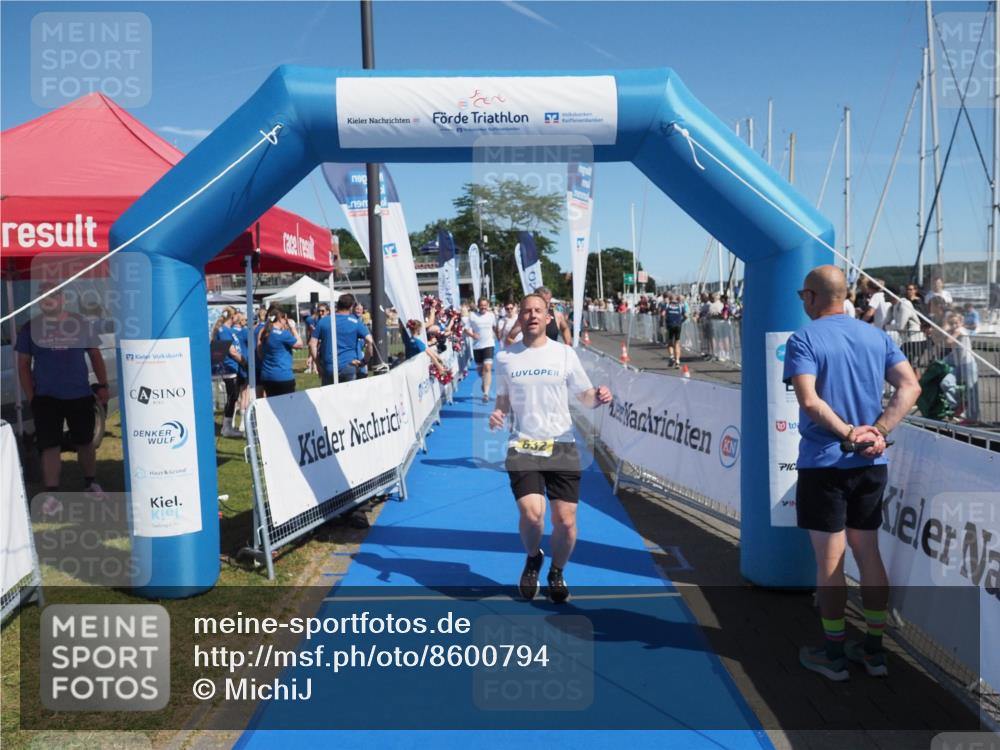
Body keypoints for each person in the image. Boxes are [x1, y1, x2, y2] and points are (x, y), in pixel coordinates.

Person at [783, 265, 921, 681]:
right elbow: (910, 386)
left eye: (801, 296)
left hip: (827, 463)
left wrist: (849, 434)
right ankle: (875, 651)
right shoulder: (876, 335)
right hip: (870, 463)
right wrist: (876, 432)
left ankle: (834, 653)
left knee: (830, 564)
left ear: (810, 297)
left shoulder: (804, 338)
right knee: (868, 554)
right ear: (843, 296)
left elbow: (809, 402)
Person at [490, 294, 613, 603]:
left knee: (566, 521)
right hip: (523, 445)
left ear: (548, 318)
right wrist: (499, 412)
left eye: (538, 311)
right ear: (520, 318)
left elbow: (584, 395)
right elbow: (504, 397)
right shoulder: (507, 357)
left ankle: (557, 571)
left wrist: (598, 396)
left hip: (561, 444)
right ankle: (533, 557)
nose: (532, 315)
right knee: (532, 517)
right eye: (526, 311)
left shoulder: (565, 354)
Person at [16, 283, 110, 510]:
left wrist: (103, 384)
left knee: (85, 442)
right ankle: (52, 495)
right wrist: (32, 397)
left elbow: (95, 355)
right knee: (50, 446)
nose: (48, 301)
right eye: (43, 297)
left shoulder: (80, 324)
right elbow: (23, 365)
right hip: (46, 398)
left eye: (53, 296)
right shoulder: (31, 328)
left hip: (79, 394)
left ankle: (90, 484)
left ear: (63, 299)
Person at [310, 293, 373, 385]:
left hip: (329, 367)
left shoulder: (323, 321)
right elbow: (370, 341)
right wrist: (365, 361)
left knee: (330, 397)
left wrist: (318, 365)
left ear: (338, 305)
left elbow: (312, 344)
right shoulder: (355, 322)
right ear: (351, 307)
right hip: (349, 365)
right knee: (349, 397)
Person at [210, 306, 247, 438]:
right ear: (233, 316)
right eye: (237, 314)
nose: (239, 316)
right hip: (229, 369)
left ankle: (228, 426)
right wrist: (244, 362)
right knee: (232, 397)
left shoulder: (228, 330)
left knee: (233, 397)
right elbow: (231, 351)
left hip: (233, 368)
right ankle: (227, 427)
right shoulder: (224, 331)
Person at [258, 306, 303, 397]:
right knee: (286, 408)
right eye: (285, 319)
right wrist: (293, 328)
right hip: (283, 376)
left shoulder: (265, 332)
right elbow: (300, 344)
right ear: (280, 319)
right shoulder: (283, 334)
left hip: (267, 375)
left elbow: (260, 352)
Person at [504, 286, 571, 345]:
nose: (546, 304)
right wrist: (519, 351)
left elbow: (565, 328)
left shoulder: (557, 315)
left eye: (548, 302)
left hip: (552, 357)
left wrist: (568, 344)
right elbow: (509, 338)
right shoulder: (526, 318)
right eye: (543, 301)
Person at [467, 297, 498, 402]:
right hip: (477, 346)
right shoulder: (472, 316)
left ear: (488, 305)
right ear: (478, 305)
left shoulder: (491, 316)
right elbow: (465, 329)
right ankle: (483, 382)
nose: (483, 307)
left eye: (485, 305)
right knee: (481, 371)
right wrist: (472, 334)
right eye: (481, 305)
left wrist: (499, 337)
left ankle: (486, 394)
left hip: (489, 344)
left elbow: (495, 328)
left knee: (488, 368)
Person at [663, 294, 686, 369]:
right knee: (677, 343)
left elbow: (663, 314)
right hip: (678, 325)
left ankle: (671, 357)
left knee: (670, 342)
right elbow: (686, 316)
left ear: (669, 299)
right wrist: (681, 321)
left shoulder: (667, 305)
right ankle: (677, 361)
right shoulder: (680, 306)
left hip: (670, 325)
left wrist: (665, 321)